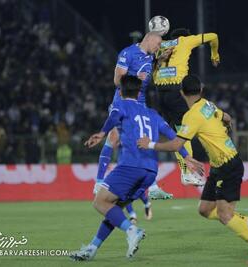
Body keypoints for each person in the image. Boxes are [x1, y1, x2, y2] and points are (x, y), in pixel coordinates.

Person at [138, 75, 248, 264]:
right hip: (219, 165)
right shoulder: (208, 105)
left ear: (181, 92)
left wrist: (150, 144)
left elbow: (176, 145)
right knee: (205, 210)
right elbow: (226, 116)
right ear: (200, 90)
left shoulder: (191, 115)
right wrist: (226, 123)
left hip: (228, 165)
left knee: (225, 215)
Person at [70, 75, 203, 261]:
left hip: (130, 166)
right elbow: (174, 137)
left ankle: (132, 231)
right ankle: (91, 248)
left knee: (99, 202)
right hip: (150, 171)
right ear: (140, 92)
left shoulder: (121, 105)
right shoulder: (153, 114)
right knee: (114, 210)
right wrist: (187, 157)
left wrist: (101, 133)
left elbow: (114, 116)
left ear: (121, 91)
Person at [97, 31, 175, 202]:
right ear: (149, 39)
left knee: (143, 141)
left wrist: (160, 60)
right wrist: (134, 78)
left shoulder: (150, 57)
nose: (158, 48)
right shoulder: (128, 53)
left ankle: (152, 187)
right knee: (115, 137)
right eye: (157, 44)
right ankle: (99, 182)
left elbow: (149, 70)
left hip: (140, 104)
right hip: (123, 101)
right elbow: (117, 81)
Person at [153, 28, 220, 187]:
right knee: (184, 133)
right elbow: (213, 36)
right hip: (176, 91)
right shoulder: (186, 40)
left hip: (160, 94)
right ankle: (188, 172)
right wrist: (214, 55)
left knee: (177, 134)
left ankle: (185, 171)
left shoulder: (161, 44)